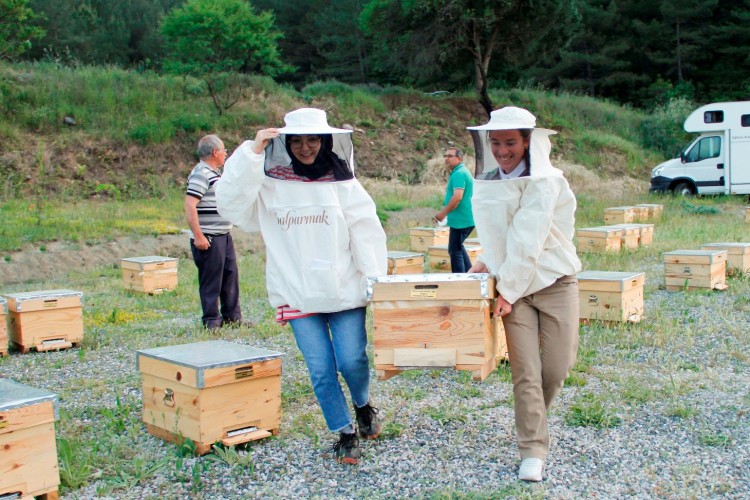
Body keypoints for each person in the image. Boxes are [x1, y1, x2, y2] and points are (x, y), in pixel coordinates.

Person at [215, 108, 387, 465]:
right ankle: (344, 432)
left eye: (313, 140)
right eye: (297, 141)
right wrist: (251, 153)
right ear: (286, 143)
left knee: (352, 360)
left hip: (344, 287)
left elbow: (366, 231)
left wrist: (375, 281)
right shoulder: (269, 180)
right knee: (321, 369)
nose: (306, 148)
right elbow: (230, 206)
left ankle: (362, 405)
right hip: (296, 289)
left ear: (325, 141)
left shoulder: (343, 181)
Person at [466, 107, 581, 482]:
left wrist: (509, 290)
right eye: (495, 142)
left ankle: (535, 421)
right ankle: (532, 448)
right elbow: (502, 231)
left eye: (510, 142)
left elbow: (529, 235)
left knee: (557, 368)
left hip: (554, 281)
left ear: (528, 141)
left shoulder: (546, 181)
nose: (502, 150)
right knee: (525, 372)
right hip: (512, 287)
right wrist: (486, 260)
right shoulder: (488, 180)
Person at [185, 134, 244, 329]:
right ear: (215, 152)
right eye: (224, 150)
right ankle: (211, 320)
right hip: (209, 237)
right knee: (212, 280)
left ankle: (232, 317)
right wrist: (199, 236)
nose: (226, 154)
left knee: (230, 276)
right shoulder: (201, 174)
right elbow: (190, 205)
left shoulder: (215, 173)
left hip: (223, 235)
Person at [434, 147, 475, 272]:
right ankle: (470, 275)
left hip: (461, 220)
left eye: (450, 156)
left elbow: (457, 197)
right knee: (457, 247)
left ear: (459, 158)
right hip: (463, 219)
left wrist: (443, 213)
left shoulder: (459, 173)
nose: (446, 159)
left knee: (454, 250)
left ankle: (460, 280)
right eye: (445, 156)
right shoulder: (461, 172)